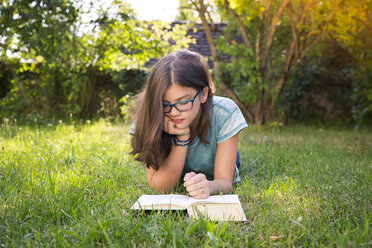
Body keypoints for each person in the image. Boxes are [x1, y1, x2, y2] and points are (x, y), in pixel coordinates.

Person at [130, 49, 247, 199]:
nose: (174, 112)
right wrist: (181, 139)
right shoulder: (147, 115)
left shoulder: (225, 112)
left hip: (216, 149)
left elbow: (225, 181)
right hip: (178, 158)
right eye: (164, 104)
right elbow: (159, 187)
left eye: (184, 102)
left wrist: (209, 186)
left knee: (230, 160)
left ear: (203, 94)